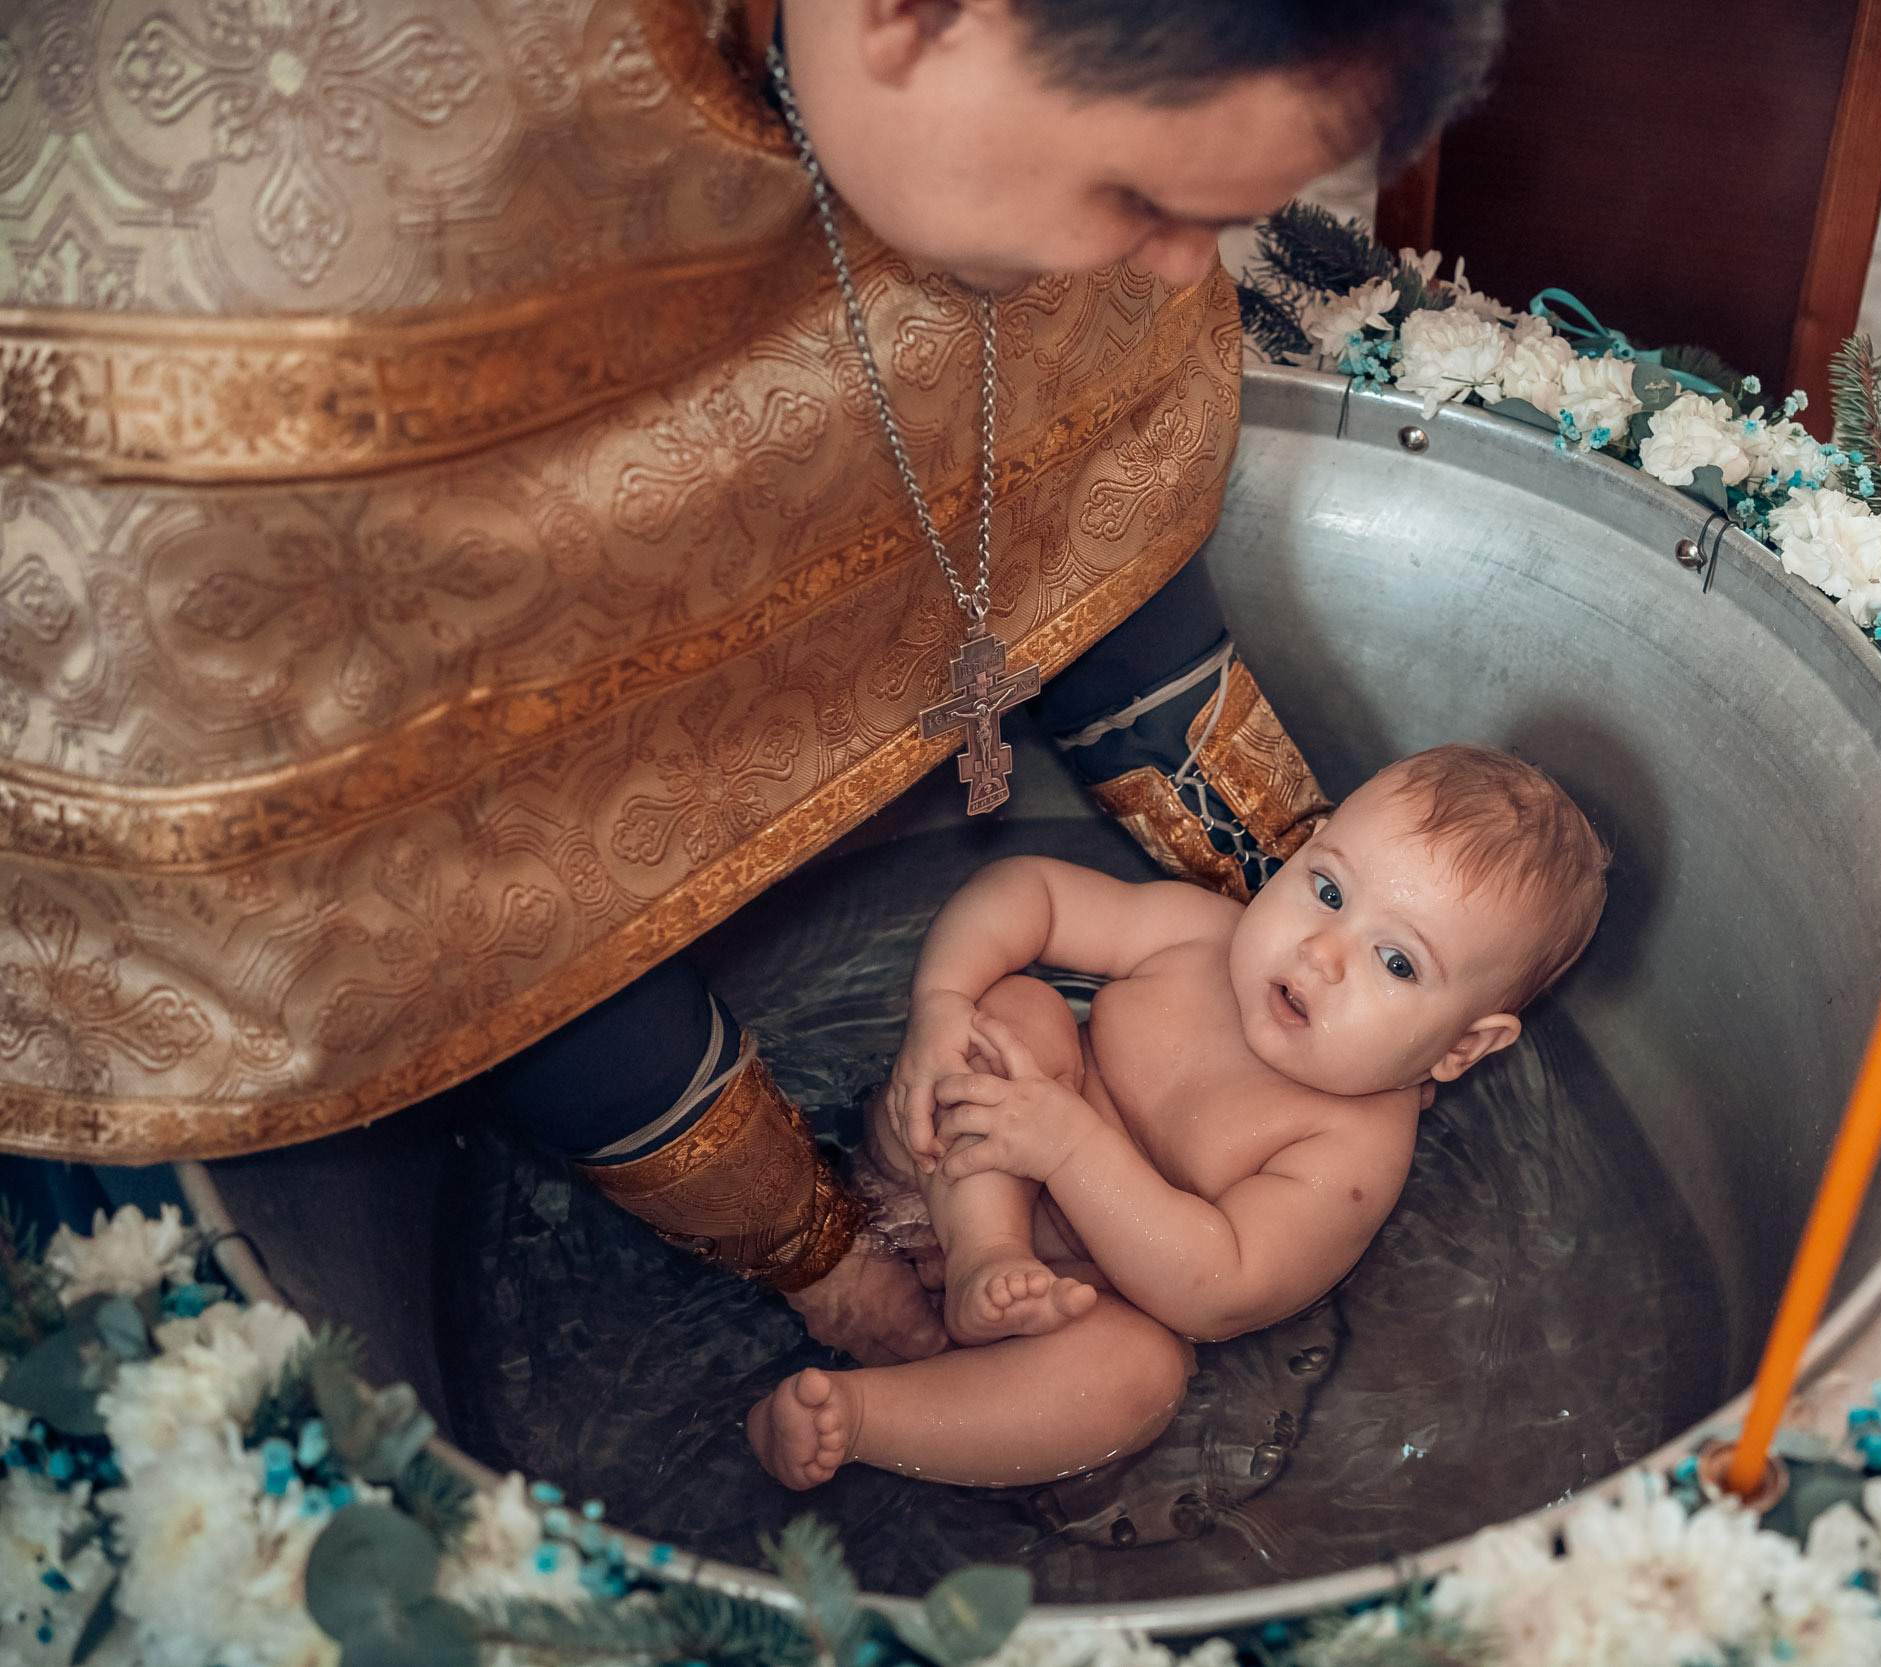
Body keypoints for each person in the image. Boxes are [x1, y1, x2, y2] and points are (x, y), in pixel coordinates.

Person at [0, 0, 1500, 1373]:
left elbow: (1074, 442)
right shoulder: (289, 240)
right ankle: (830, 1274)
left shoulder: (1033, 140)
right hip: (437, 692)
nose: (1187, 267)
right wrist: (860, 1195)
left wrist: (1371, 920)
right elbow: (428, 859)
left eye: (1219, 218)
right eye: (1144, 199)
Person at [746, 745, 1607, 1488]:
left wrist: (1072, 1144)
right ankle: (980, 1257)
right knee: (1013, 1010)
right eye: (1329, 889)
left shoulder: (1351, 1151)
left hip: (1085, 1293)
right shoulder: (1201, 935)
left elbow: (1216, 1289)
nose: (1322, 952)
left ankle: (864, 1419)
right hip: (954, 1182)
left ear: (1461, 1048)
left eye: (1395, 960)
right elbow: (1031, 891)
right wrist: (941, 1003)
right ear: (1305, 850)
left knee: (1140, 1374)